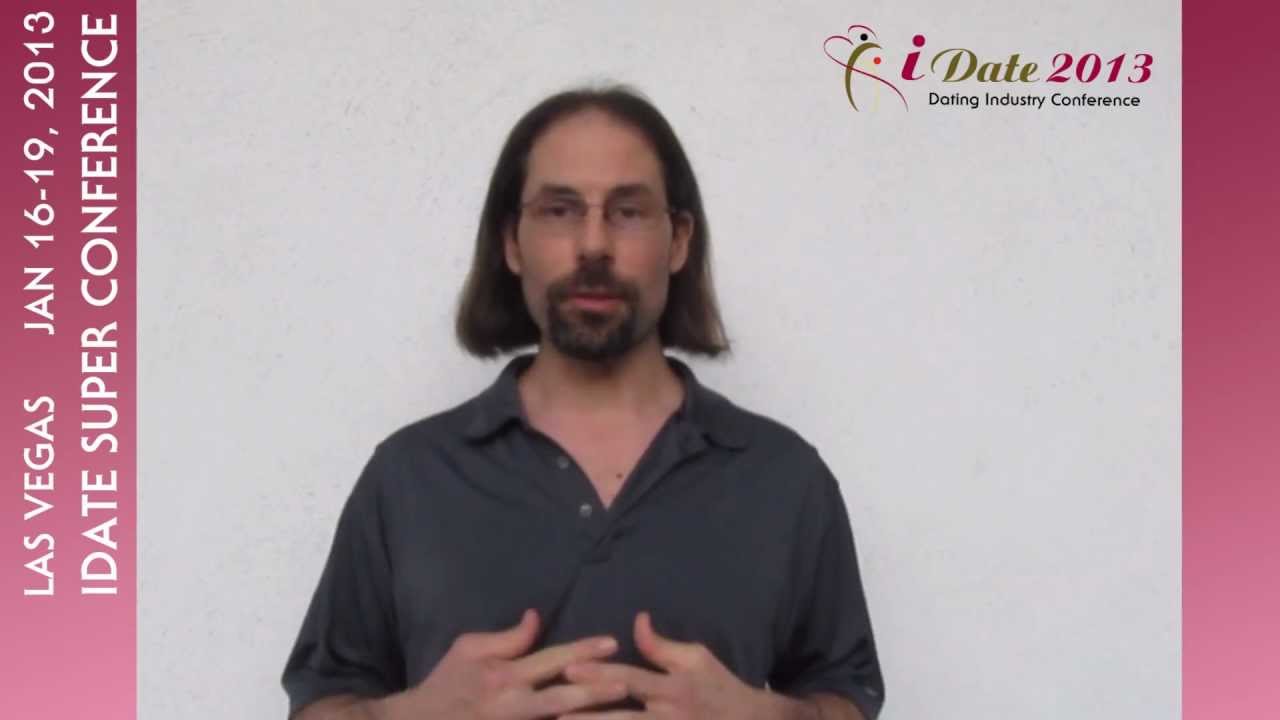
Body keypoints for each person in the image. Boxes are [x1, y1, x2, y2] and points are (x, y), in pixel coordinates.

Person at [281, 84, 885, 720]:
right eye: (559, 210)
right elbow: (320, 705)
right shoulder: (409, 476)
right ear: (512, 242)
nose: (594, 244)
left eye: (628, 211)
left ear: (679, 240)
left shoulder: (783, 476)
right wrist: (410, 716)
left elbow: (846, 696)